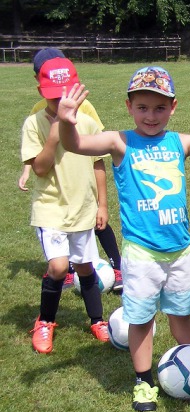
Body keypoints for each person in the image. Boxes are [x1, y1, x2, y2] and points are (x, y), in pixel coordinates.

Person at [58, 65, 190, 412]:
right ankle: (143, 381)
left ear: (173, 107)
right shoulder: (119, 141)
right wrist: (67, 122)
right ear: (129, 107)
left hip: (180, 251)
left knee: (181, 315)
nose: (151, 116)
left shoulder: (180, 142)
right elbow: (77, 145)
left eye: (160, 107)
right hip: (142, 254)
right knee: (141, 320)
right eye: (142, 107)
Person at [21, 57, 110, 354]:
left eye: (65, 93)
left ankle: (97, 320)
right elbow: (41, 169)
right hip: (51, 208)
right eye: (53, 94)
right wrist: (55, 133)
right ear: (40, 91)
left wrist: (102, 205)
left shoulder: (87, 122)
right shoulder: (34, 123)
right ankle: (45, 321)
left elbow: (98, 164)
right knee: (59, 267)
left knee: (85, 267)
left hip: (83, 206)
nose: (60, 100)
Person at [20, 47, 123, 293]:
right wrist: (27, 168)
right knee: (68, 234)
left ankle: (116, 266)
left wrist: (103, 203)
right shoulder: (37, 114)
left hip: (84, 189)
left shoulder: (84, 110)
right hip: (57, 195)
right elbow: (38, 157)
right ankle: (67, 271)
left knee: (98, 223)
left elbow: (97, 153)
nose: (62, 102)